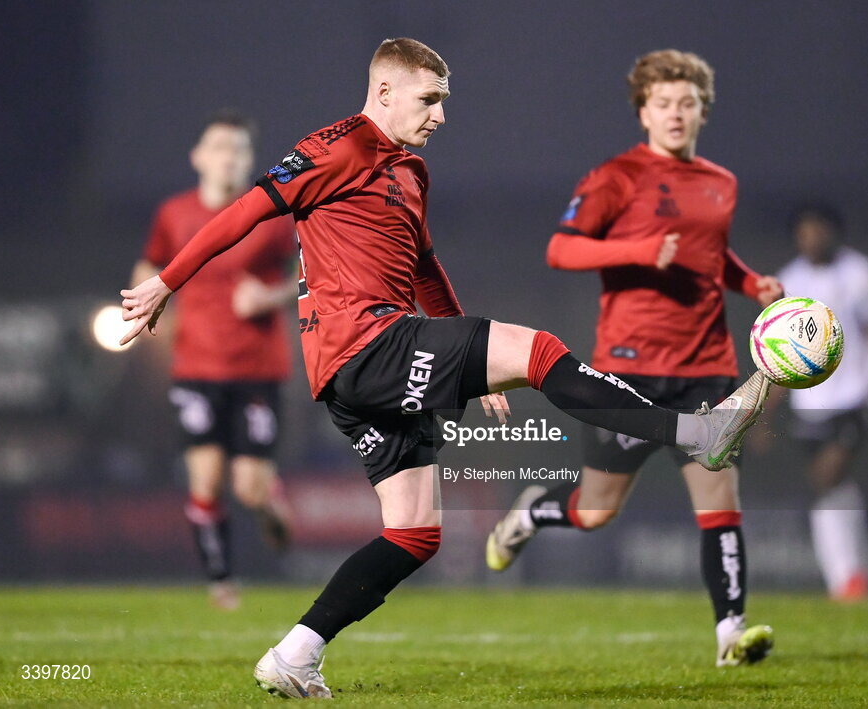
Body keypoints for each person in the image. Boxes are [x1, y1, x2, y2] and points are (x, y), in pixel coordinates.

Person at [119, 38, 770, 699]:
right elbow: (243, 211)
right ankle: (695, 433)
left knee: (414, 531)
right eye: (429, 100)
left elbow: (425, 269)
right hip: (366, 345)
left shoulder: (411, 173)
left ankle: (295, 652)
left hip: (370, 366)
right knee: (542, 349)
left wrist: (471, 364)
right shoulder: (337, 145)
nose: (440, 115)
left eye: (444, 101)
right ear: (385, 94)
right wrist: (166, 282)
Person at [484, 49, 783, 667]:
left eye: (687, 104)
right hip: (629, 373)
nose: (676, 114)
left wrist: (750, 284)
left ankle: (732, 634)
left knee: (720, 498)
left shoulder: (721, 182)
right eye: (664, 103)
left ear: (703, 111)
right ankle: (534, 511)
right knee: (596, 511)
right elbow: (561, 250)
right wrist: (641, 249)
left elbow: (710, 254)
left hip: (706, 369)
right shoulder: (615, 177)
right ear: (643, 110)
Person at [129, 110, 297, 610]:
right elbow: (150, 263)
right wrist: (146, 297)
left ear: (249, 160)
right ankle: (222, 583)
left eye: (238, 148)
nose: (228, 156)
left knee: (248, 488)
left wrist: (268, 299)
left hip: (257, 370)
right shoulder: (174, 214)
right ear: (198, 157)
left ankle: (268, 500)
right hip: (195, 368)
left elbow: (307, 277)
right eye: (219, 146)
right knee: (204, 479)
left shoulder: (271, 218)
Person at [769, 203, 868, 600]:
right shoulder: (789, 280)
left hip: (856, 396)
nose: (812, 238)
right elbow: (780, 353)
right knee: (830, 487)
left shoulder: (860, 274)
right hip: (809, 401)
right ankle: (848, 579)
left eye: (819, 230)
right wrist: (766, 409)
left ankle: (848, 578)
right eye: (804, 231)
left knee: (828, 477)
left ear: (834, 232)